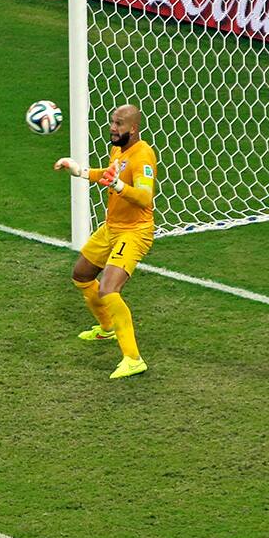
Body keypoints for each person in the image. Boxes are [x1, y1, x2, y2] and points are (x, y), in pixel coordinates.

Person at [54, 104, 156, 379]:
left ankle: (133, 359)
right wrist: (79, 171)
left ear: (132, 128)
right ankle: (107, 328)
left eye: (119, 124)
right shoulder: (118, 150)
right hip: (112, 228)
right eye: (112, 122)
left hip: (135, 232)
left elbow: (145, 197)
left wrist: (120, 187)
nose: (113, 127)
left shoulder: (143, 156)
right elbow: (110, 175)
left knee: (109, 289)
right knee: (82, 275)